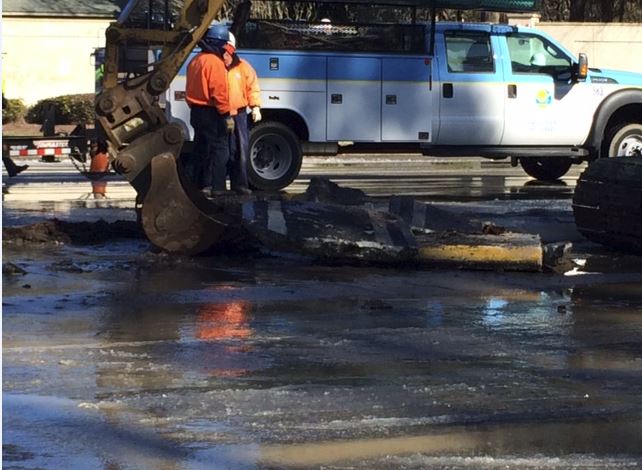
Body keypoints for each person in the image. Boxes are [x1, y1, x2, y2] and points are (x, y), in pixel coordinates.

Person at [184, 25, 236, 195]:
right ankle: (218, 187)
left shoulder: (195, 61)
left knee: (201, 149)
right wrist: (226, 114)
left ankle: (197, 185)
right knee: (221, 150)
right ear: (220, 44)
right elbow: (219, 92)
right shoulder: (215, 63)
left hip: (196, 112)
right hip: (212, 113)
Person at [223, 32, 262, 195]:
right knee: (222, 151)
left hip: (239, 114)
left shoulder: (243, 66)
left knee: (240, 150)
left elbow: (252, 86)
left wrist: (255, 107)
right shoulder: (217, 66)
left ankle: (239, 184)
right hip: (221, 113)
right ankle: (215, 184)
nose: (225, 55)